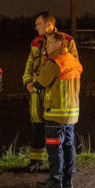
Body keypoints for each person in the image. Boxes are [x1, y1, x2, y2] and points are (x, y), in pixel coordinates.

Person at [22, 12, 77, 172]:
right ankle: (36, 161)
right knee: (37, 126)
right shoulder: (36, 42)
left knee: (57, 131)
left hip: (55, 92)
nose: (36, 27)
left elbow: (71, 65)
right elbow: (30, 64)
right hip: (38, 91)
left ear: (48, 25)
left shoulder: (67, 41)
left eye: (38, 23)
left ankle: (58, 168)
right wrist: (28, 82)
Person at [32, 31, 83, 188]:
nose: (46, 46)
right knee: (69, 146)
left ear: (59, 44)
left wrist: (36, 77)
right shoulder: (74, 61)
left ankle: (55, 180)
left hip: (56, 112)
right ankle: (68, 180)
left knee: (55, 148)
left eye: (49, 43)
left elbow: (40, 83)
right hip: (72, 113)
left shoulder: (55, 62)